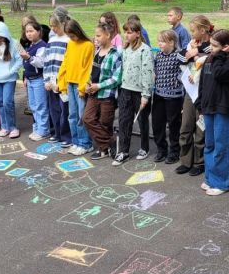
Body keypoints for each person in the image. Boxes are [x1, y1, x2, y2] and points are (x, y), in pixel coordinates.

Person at [197, 29, 229, 196]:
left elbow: (219, 75)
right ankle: (210, 178)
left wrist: (220, 55)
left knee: (221, 145)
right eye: (211, 44)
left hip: (224, 107)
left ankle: (222, 182)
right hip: (208, 106)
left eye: (215, 46)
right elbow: (203, 82)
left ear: (227, 46)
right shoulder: (210, 58)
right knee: (210, 144)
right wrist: (200, 104)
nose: (211, 48)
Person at [113, 19, 155, 166]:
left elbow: (147, 73)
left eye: (130, 32)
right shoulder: (125, 49)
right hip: (125, 89)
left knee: (143, 120)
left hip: (139, 92)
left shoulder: (145, 50)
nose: (126, 35)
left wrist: (145, 95)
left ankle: (144, 147)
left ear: (138, 34)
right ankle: (123, 151)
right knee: (124, 120)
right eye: (125, 32)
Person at [176, 15, 213, 176]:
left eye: (193, 31)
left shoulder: (211, 43)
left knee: (200, 129)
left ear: (203, 30)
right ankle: (185, 161)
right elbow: (180, 58)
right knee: (185, 127)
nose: (191, 34)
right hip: (190, 92)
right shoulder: (192, 43)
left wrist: (195, 53)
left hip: (204, 93)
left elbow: (209, 52)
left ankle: (199, 162)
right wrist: (192, 52)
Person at [84, 23, 123, 160]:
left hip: (107, 95)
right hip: (93, 93)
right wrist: (89, 84)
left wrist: (99, 86)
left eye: (99, 35)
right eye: (96, 35)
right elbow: (93, 72)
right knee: (87, 119)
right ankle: (111, 141)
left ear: (108, 35)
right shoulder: (97, 51)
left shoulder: (115, 54)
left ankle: (103, 150)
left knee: (105, 122)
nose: (96, 38)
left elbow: (116, 79)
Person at [56, 19, 94, 156]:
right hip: (70, 83)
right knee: (72, 115)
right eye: (69, 36)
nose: (71, 38)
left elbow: (88, 68)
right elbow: (65, 63)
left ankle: (85, 143)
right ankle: (76, 141)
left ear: (77, 31)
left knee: (81, 115)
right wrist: (62, 82)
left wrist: (83, 87)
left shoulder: (88, 45)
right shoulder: (70, 43)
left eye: (72, 35)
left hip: (80, 85)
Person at [152, 30, 184, 164]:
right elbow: (155, 71)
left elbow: (184, 72)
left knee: (173, 125)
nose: (160, 43)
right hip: (159, 94)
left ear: (171, 42)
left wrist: (178, 80)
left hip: (174, 96)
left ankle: (174, 151)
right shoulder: (158, 55)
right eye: (159, 41)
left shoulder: (178, 55)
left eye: (163, 41)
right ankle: (161, 149)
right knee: (157, 123)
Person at [0, 22, 22, 138]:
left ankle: (12, 127)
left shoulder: (15, 43)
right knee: (0, 103)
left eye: (1, 37)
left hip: (9, 78)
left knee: (7, 102)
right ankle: (4, 126)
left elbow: (20, 59)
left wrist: (12, 71)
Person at [44, 7, 72, 147]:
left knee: (64, 110)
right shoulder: (51, 41)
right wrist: (47, 80)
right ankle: (56, 133)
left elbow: (68, 64)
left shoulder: (69, 40)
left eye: (55, 26)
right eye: (51, 26)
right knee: (54, 109)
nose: (53, 29)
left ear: (63, 23)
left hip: (63, 82)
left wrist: (62, 82)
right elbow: (47, 61)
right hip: (52, 80)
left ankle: (67, 136)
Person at [21, 21, 50, 141]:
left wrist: (29, 57)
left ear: (39, 32)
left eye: (31, 31)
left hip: (39, 80)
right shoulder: (30, 45)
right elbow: (27, 65)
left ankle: (43, 130)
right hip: (30, 79)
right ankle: (37, 127)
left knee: (40, 106)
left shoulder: (42, 46)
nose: (29, 34)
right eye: (27, 31)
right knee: (33, 105)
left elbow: (41, 63)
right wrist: (26, 77)